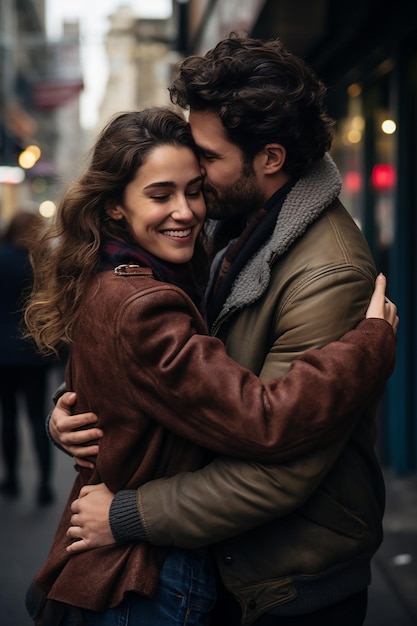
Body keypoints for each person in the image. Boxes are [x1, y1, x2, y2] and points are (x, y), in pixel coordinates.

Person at [49, 33, 399, 626]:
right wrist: (82, 409)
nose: (193, 190)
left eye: (205, 161)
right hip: (220, 564)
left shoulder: (326, 270)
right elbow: (170, 366)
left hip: (290, 581)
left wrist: (128, 513)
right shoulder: (230, 229)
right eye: (164, 190)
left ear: (268, 158)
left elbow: (276, 450)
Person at [0, 211, 55, 506]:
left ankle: (11, 479)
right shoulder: (42, 262)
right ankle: (44, 485)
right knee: (37, 417)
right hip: (33, 351)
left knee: (8, 416)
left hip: (2, 354)